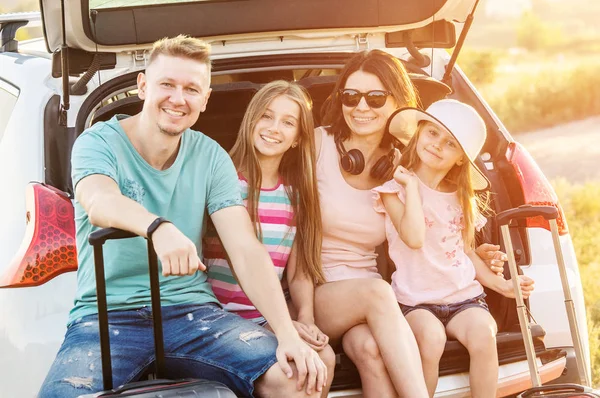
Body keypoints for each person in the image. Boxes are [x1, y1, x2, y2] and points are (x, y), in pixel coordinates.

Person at [38, 36, 327, 398]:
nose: (178, 99)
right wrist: (158, 227)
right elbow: (99, 200)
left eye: (192, 89)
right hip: (105, 318)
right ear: (143, 86)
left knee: (299, 377)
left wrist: (287, 334)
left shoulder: (211, 156)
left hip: (193, 314)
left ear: (205, 100)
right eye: (167, 85)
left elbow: (245, 248)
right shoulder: (99, 142)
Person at [312, 50, 511, 397]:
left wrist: (474, 253)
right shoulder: (317, 144)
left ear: (397, 103)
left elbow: (437, 230)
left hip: (373, 297)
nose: (361, 107)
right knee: (380, 295)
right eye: (350, 96)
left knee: (371, 350)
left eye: (375, 98)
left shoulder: (404, 166)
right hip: (324, 291)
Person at [372, 99, 535, 397]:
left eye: (450, 143)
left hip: (464, 297)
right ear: (419, 132)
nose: (436, 145)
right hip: (415, 300)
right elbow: (414, 238)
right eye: (432, 133)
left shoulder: (460, 197)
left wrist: (502, 285)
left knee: (484, 335)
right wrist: (411, 188)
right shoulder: (393, 191)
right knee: (429, 340)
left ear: (461, 159)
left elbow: (465, 252)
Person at [204, 80, 335, 395]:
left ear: (297, 138)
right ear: (251, 121)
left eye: (288, 122)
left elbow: (299, 267)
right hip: (221, 318)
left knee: (325, 357)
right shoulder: (224, 184)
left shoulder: (295, 195)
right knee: (295, 373)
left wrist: (305, 318)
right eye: (266, 116)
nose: (274, 128)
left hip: (266, 318)